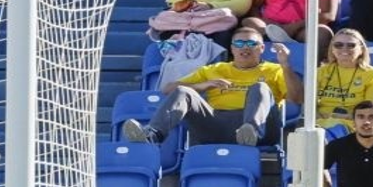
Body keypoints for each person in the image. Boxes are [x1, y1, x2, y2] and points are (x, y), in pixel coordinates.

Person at [123, 27, 300, 147]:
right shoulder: (215, 69)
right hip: (217, 123)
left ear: (262, 48)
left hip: (261, 127)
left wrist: (285, 65)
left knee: (260, 87)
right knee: (184, 91)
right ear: (232, 48)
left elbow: (297, 99)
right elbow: (168, 89)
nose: (245, 48)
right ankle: (152, 135)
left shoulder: (276, 69)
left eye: (251, 44)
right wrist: (202, 85)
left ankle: (250, 131)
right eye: (239, 44)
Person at [291, 28, 373, 137]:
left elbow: (368, 109)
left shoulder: (372, 74)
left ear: (361, 49)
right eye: (338, 45)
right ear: (332, 49)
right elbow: (310, 106)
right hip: (319, 122)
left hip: (352, 124)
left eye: (351, 45)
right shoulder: (320, 72)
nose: (344, 49)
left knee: (328, 133)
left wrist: (340, 117)